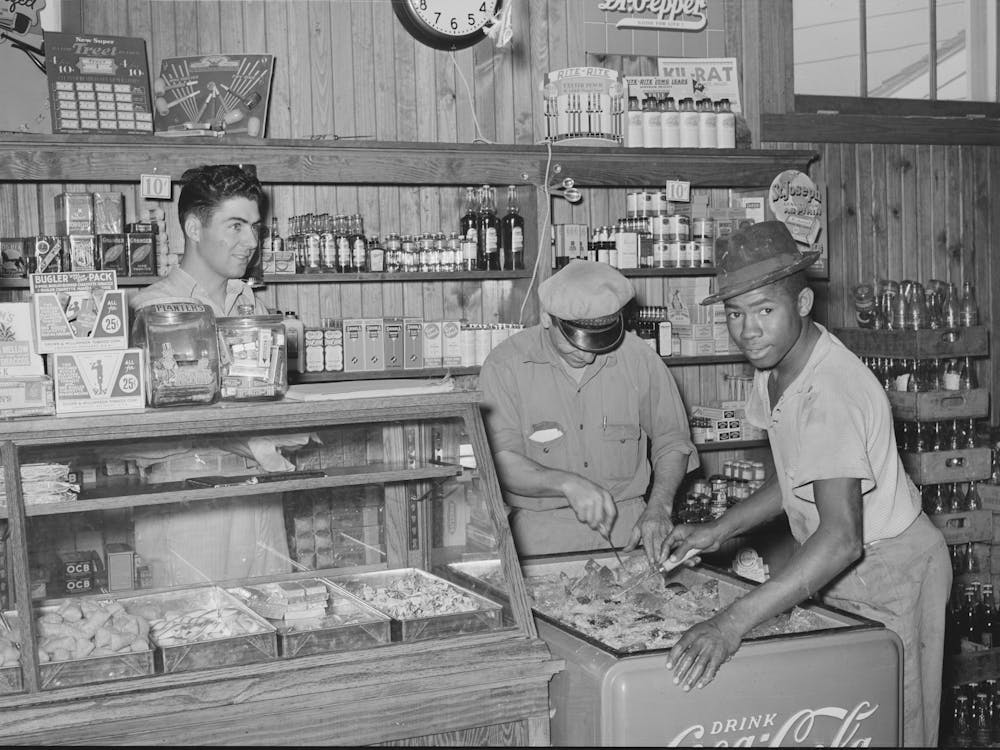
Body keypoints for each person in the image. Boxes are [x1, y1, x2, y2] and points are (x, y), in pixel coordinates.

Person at [662, 221, 951, 748]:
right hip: (842, 565)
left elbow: (841, 537)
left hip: (891, 569)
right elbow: (795, 476)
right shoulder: (775, 366)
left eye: (764, 310)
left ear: (802, 303)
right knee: (841, 726)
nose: (748, 330)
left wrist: (730, 624)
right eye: (735, 313)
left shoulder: (829, 391)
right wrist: (718, 529)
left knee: (893, 729)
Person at [128, 164, 291, 587]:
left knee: (275, 609)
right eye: (235, 226)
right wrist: (244, 440)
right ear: (194, 228)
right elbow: (140, 432)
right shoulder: (149, 309)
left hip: (260, 491)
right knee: (196, 620)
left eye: (254, 227)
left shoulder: (249, 304)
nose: (251, 242)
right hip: (189, 501)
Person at [479, 259, 699, 563]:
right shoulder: (505, 366)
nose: (588, 354)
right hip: (540, 539)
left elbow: (672, 440)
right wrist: (566, 483)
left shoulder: (638, 358)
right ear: (546, 318)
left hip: (629, 533)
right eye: (576, 341)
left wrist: (659, 507)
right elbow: (499, 462)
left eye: (600, 341)